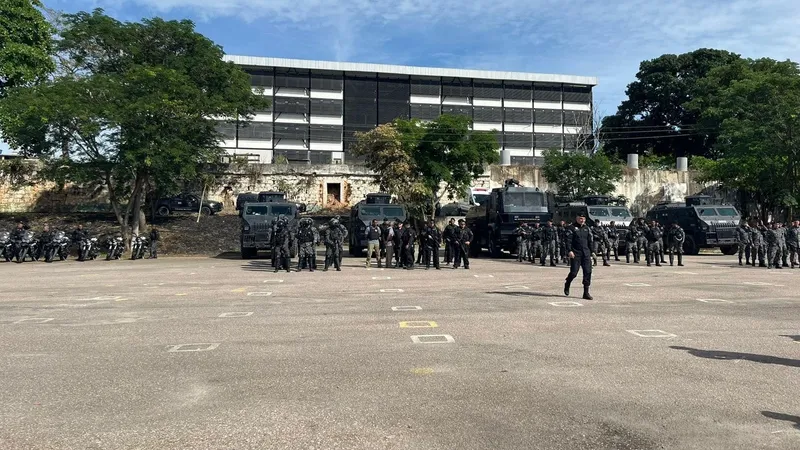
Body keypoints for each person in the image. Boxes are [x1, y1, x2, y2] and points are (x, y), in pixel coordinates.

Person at [564, 214, 594, 300]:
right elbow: (568, 240)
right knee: (574, 273)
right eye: (580, 219)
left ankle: (586, 292)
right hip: (576, 253)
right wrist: (569, 251)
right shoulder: (571, 228)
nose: (582, 220)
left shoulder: (587, 228)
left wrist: (592, 252)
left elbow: (590, 241)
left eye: (583, 219)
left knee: (588, 272)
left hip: (586, 253)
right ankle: (567, 283)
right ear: (577, 219)